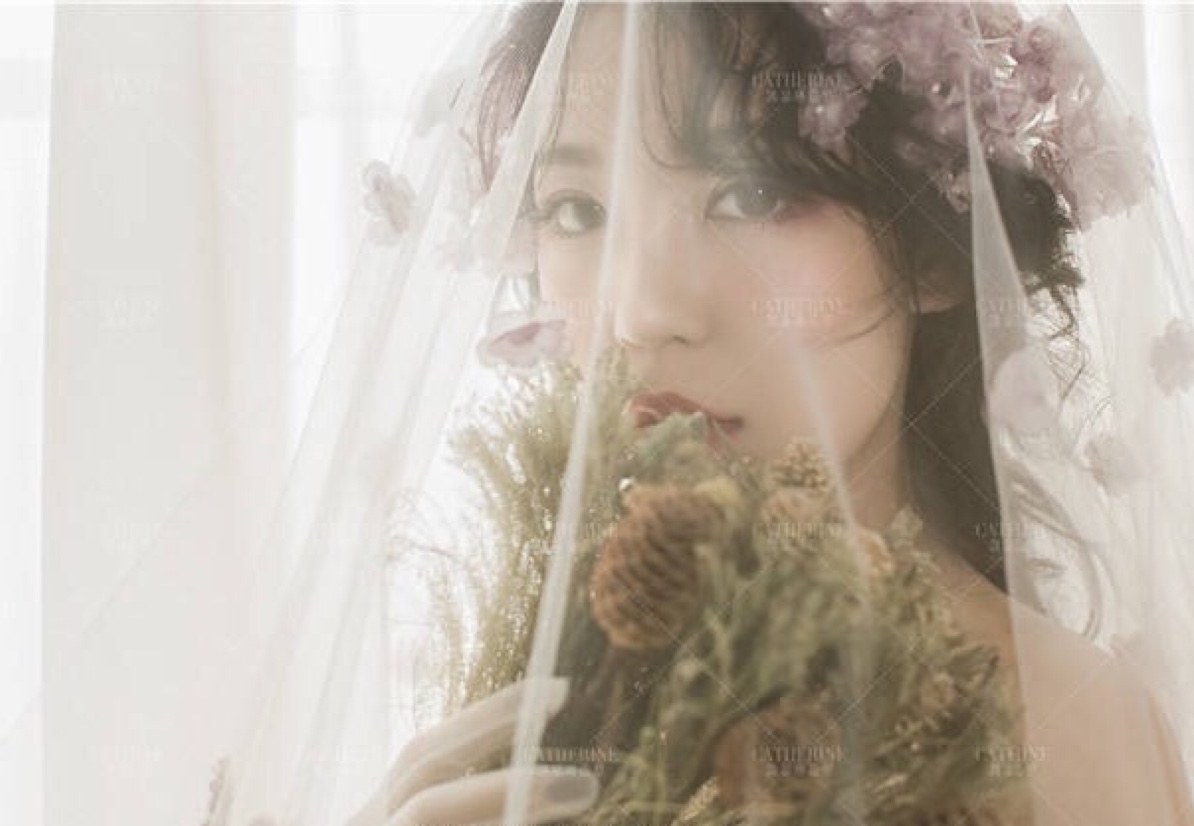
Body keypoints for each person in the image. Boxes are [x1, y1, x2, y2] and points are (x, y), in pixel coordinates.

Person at [340, 4, 1194, 826]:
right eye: (577, 211)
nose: (641, 314)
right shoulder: (534, 682)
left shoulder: (1056, 732)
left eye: (753, 194)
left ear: (936, 247)